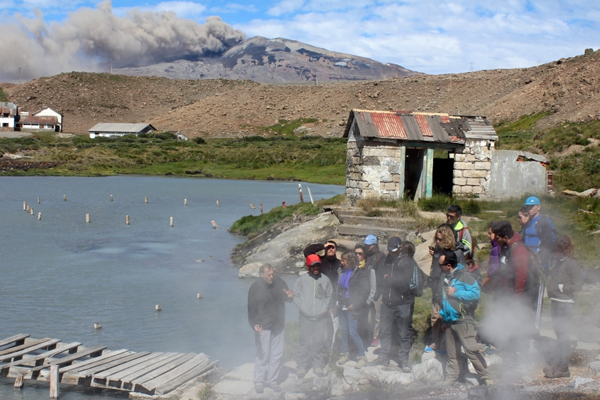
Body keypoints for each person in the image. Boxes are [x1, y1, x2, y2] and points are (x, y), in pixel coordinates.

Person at [439, 250, 491, 386]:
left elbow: (475, 294)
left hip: (463, 319)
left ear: (448, 265)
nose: (439, 268)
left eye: (441, 265)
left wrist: (457, 292)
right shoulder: (446, 277)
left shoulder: (465, 276)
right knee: (452, 353)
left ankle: (486, 376)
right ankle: (452, 377)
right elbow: (445, 299)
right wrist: (444, 318)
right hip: (450, 320)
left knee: (471, 350)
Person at [374, 237, 420, 372]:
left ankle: (404, 360)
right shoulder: (386, 260)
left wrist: (389, 279)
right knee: (384, 330)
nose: (391, 253)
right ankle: (383, 357)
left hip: (403, 302)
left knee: (403, 332)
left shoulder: (409, 262)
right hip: (387, 302)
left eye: (394, 251)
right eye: (389, 250)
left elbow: (406, 282)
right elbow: (380, 277)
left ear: (400, 248)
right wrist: (383, 284)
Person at [248, 264, 293, 393]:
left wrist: (290, 297)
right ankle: (259, 381)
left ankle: (272, 380)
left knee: (277, 355)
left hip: (278, 324)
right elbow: (251, 309)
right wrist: (254, 323)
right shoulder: (255, 287)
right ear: (261, 274)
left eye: (272, 274)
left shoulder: (279, 282)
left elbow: (288, 297)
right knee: (263, 354)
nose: (271, 277)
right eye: (268, 275)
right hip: (263, 326)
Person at [544, 235, 584, 378]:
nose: (556, 253)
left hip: (565, 304)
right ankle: (559, 362)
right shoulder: (560, 262)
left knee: (563, 335)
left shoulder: (572, 263)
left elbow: (578, 286)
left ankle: (563, 367)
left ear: (566, 249)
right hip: (556, 301)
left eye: (559, 251)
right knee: (559, 334)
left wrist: (563, 288)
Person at [426, 224, 464, 353]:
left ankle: (447, 345)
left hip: (450, 292)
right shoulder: (437, 251)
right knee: (435, 317)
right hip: (437, 289)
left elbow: (462, 273)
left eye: (440, 239)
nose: (437, 241)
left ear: (447, 239)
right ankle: (436, 343)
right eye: (436, 238)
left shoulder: (457, 253)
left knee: (447, 320)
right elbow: (435, 270)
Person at [293, 254, 333, 378]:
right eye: (313, 266)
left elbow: (329, 295)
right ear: (308, 266)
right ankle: (302, 366)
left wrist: (323, 308)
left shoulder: (325, 280)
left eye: (318, 265)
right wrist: (304, 309)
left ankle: (318, 365)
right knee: (304, 342)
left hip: (321, 318)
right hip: (305, 317)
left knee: (318, 342)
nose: (316, 268)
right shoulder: (301, 280)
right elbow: (296, 296)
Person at [303, 241, 341, 353]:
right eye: (328, 247)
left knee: (331, 326)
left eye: (332, 247)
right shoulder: (319, 261)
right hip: (318, 298)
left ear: (336, 249)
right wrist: (322, 245)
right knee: (317, 324)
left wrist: (333, 303)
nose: (330, 249)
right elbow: (307, 252)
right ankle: (316, 347)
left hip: (334, 297)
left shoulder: (339, 263)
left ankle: (330, 347)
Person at [337, 250, 371, 369]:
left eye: (343, 260)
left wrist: (355, 304)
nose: (341, 262)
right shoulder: (341, 271)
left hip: (352, 306)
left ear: (349, 261)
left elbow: (365, 290)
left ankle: (362, 356)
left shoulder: (360, 272)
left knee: (352, 331)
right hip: (342, 305)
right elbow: (339, 288)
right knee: (344, 331)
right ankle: (344, 353)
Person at [521, 196, 556, 269]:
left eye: (532, 206)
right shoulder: (527, 223)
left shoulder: (543, 223)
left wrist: (540, 259)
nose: (529, 209)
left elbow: (548, 244)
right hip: (527, 260)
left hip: (539, 262)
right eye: (527, 207)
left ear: (539, 207)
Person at [364, 234, 385, 347]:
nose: (367, 247)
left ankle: (376, 336)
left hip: (377, 290)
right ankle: (366, 335)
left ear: (374, 245)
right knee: (366, 314)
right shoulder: (364, 256)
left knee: (376, 315)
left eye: (369, 245)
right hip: (366, 290)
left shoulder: (380, 256)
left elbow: (381, 275)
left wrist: (378, 291)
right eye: (366, 245)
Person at [354, 243, 373, 348]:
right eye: (356, 253)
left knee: (363, 324)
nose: (358, 256)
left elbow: (372, 285)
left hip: (364, 301)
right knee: (354, 325)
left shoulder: (369, 267)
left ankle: (364, 345)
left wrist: (368, 300)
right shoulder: (353, 265)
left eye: (360, 253)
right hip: (354, 299)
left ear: (365, 254)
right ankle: (355, 345)